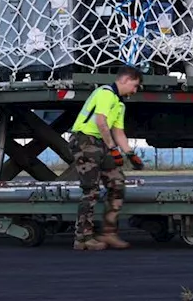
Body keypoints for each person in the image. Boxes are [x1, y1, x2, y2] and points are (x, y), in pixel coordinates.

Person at [70, 65, 144, 251]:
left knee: (117, 183)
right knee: (91, 190)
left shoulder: (119, 104)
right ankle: (83, 238)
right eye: (134, 86)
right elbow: (100, 122)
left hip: (101, 144)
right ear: (125, 80)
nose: (134, 91)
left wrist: (130, 154)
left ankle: (108, 232)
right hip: (85, 141)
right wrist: (113, 149)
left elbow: (118, 132)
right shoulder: (105, 93)